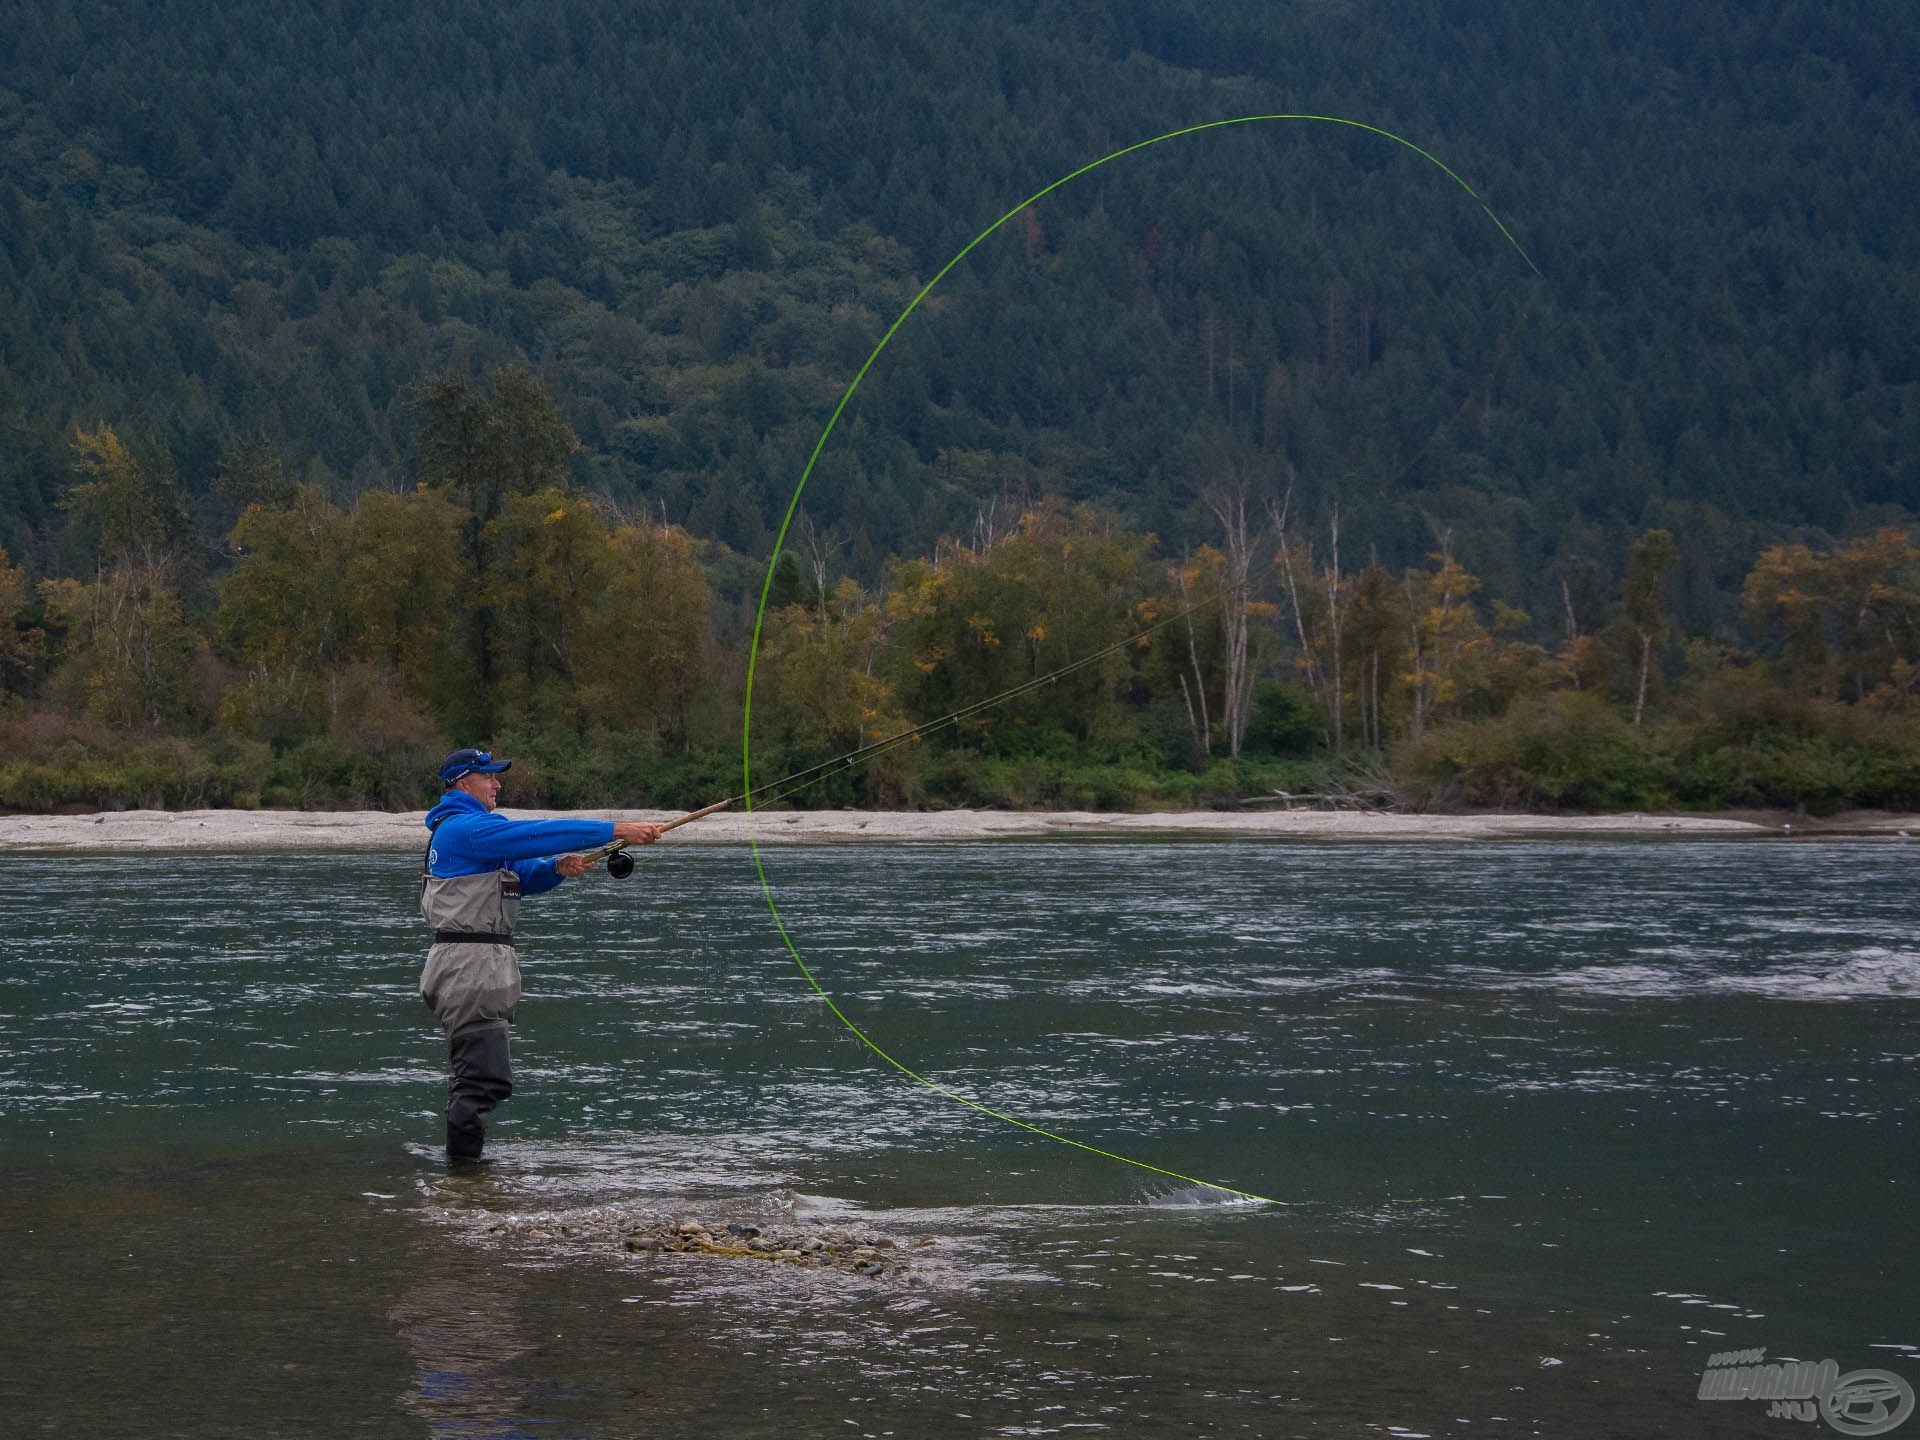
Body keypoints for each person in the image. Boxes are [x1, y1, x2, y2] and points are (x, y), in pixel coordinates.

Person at [419, 747, 661, 1163]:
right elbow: (537, 834)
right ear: (462, 783)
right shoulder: (464, 829)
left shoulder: (473, 834)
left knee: (485, 1078)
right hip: (468, 965)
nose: (497, 784)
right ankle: (462, 1180)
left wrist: (555, 870)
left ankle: (465, 1181)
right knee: (480, 1079)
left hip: (478, 963)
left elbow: (520, 876)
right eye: (488, 777)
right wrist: (614, 829)